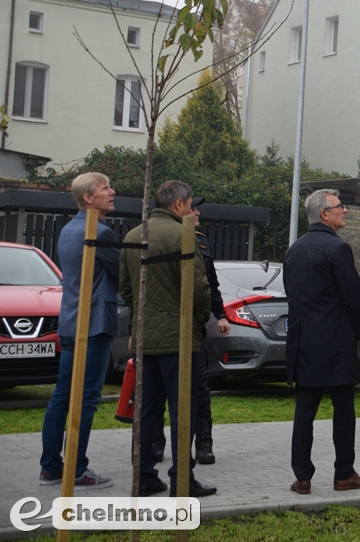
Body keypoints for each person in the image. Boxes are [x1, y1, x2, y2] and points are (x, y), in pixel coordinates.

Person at [119, 180, 215, 497]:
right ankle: (181, 480)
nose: (192, 211)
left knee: (147, 412)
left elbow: (126, 290)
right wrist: (201, 317)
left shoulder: (134, 236)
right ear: (178, 206)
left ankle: (144, 476)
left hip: (146, 338)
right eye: (190, 205)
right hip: (180, 338)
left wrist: (141, 318)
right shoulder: (183, 236)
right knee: (181, 410)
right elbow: (200, 290)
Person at [284, 189, 360, 495]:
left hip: (304, 344)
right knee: (344, 411)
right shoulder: (337, 249)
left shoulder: (294, 250)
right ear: (324, 214)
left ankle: (302, 476)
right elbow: (355, 296)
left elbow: (293, 296)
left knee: (304, 412)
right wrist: (356, 331)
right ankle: (343, 473)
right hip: (335, 344)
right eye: (340, 207)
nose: (344, 211)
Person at [39, 172, 119, 490]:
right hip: (95, 324)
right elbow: (122, 272)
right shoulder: (100, 232)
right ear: (88, 198)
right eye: (105, 188)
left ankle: (50, 466)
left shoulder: (68, 230)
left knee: (61, 395)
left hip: (71, 321)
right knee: (86, 399)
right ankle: (77, 469)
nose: (112, 192)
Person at [190, 197, 230, 462]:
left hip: (197, 326)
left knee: (201, 388)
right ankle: (156, 443)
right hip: (168, 325)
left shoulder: (202, 242)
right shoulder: (159, 237)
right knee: (158, 392)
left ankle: (204, 444)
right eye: (193, 208)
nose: (198, 213)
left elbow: (211, 284)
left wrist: (221, 315)